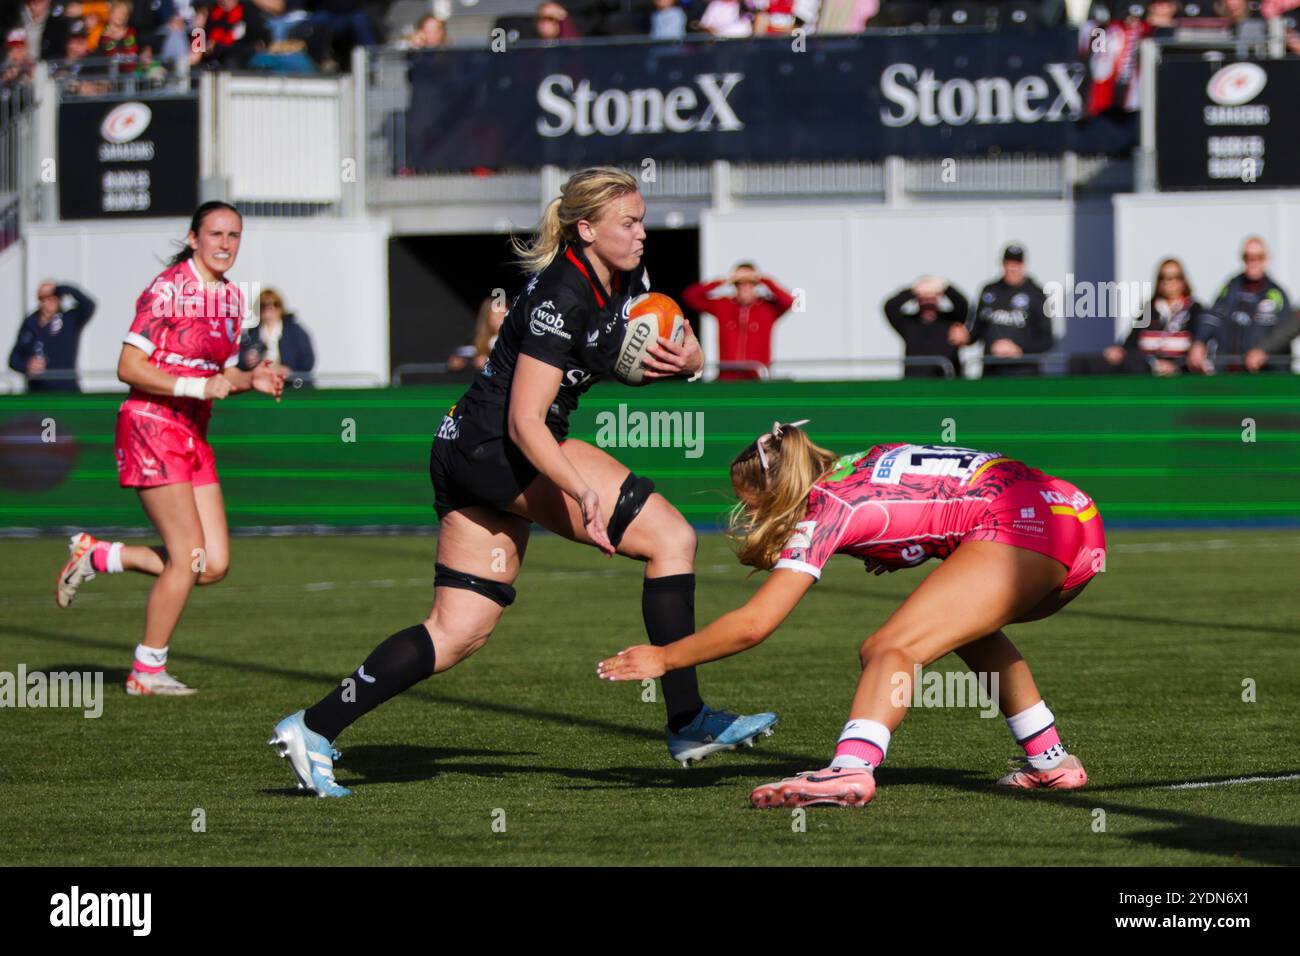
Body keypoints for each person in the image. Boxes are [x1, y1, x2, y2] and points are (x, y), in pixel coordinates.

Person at [269, 167, 776, 797]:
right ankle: (688, 719)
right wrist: (581, 491)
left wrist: (693, 362)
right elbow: (526, 421)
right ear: (586, 229)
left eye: (642, 219)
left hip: (470, 448)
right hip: (498, 448)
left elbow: (643, 352)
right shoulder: (559, 295)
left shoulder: (631, 279)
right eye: (630, 222)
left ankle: (314, 727)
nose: (644, 233)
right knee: (671, 538)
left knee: (456, 632)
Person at [599, 423, 1103, 809]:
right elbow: (936, 499)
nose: (751, 518)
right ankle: (1051, 761)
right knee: (967, 630)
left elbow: (756, 623)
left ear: (779, 493)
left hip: (1022, 526)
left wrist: (665, 657)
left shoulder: (825, 507)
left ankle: (850, 767)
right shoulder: (861, 463)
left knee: (890, 648)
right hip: (1075, 517)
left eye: (752, 505)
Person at [55, 201, 288, 696]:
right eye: (216, 234)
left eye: (234, 235)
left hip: (192, 433)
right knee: (188, 558)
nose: (225, 244)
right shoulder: (168, 289)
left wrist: (252, 378)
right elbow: (129, 366)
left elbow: (219, 375)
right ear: (193, 238)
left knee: (213, 564)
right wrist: (194, 389)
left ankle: (99, 556)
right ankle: (147, 670)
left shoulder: (230, 300)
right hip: (150, 427)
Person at [1069, 258, 1203, 376]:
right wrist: (1119, 351)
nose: (1168, 282)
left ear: (1183, 280)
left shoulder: (1195, 310)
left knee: (1135, 365)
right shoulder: (1150, 308)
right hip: (1144, 369)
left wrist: (1176, 367)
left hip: (1177, 373)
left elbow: (1200, 350)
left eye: (1174, 277)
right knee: (1081, 364)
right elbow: (1131, 342)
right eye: (1162, 277)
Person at [1189, 237, 1295, 374]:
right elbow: (1213, 317)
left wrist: (1263, 351)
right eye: (1248, 257)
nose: (1252, 262)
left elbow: (1283, 334)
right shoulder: (1230, 287)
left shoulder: (1277, 295)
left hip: (1264, 375)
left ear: (1266, 259)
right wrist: (1200, 342)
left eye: (1258, 257)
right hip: (1229, 373)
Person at [682, 262, 795, 380]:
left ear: (756, 284)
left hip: (757, 377)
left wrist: (763, 279)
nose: (744, 287)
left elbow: (788, 301)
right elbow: (690, 296)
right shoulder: (723, 305)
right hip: (726, 378)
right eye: (739, 283)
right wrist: (725, 280)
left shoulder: (767, 308)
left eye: (750, 283)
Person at [968, 244, 1053, 377]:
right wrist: (963, 336)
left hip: (1024, 372)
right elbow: (976, 330)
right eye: (1008, 263)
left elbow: (1047, 339)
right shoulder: (989, 290)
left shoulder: (1036, 294)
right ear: (1002, 264)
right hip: (992, 370)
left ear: (1023, 264)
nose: (1012, 268)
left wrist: (1019, 350)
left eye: (1016, 264)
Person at [8, 280, 96, 392]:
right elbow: (13, 359)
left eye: (50, 298)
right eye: (42, 299)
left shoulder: (69, 320)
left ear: (58, 299)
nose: (45, 303)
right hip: (37, 391)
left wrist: (62, 288)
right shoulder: (30, 323)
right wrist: (27, 365)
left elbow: (89, 305)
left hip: (66, 389)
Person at [882, 276, 970, 378]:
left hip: (947, 378)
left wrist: (944, 287)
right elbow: (890, 307)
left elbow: (962, 304)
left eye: (932, 298)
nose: (928, 301)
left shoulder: (950, 320)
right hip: (916, 380)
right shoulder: (908, 324)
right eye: (924, 298)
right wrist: (914, 291)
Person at [239, 287, 315, 380]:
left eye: (275, 305)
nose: (269, 310)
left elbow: (308, 360)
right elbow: (237, 361)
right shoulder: (251, 334)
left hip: (290, 386)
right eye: (263, 306)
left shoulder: (294, 331)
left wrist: (290, 371)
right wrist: (246, 360)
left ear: (280, 307)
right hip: (260, 385)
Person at [446, 294, 506, 372]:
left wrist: (491, 362)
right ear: (488, 319)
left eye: (503, 313)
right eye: (496, 315)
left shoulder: (517, 339)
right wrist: (465, 362)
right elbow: (455, 360)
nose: (501, 318)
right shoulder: (479, 342)